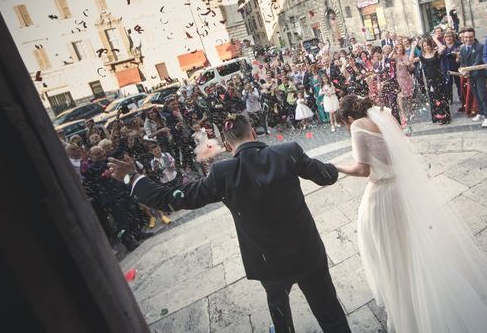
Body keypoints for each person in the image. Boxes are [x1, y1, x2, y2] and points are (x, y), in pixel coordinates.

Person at [107, 114, 352, 333]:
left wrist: (132, 176)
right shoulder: (288, 152)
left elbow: (171, 199)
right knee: (330, 314)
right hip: (306, 252)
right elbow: (327, 177)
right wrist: (332, 166)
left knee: (278, 307)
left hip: (268, 261)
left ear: (226, 145)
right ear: (253, 133)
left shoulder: (221, 173)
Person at [333, 95, 487, 333]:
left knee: (388, 254)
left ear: (349, 117)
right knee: (405, 249)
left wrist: (333, 167)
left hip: (381, 197)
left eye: (345, 124)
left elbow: (362, 169)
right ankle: (416, 299)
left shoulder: (359, 125)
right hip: (400, 191)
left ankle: (406, 311)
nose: (347, 128)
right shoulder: (384, 119)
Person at [459, 28, 487, 127]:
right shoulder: (463, 49)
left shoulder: (480, 47)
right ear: (463, 38)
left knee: (483, 95)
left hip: (480, 75)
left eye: (470, 37)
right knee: (476, 95)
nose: (468, 39)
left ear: (474, 36)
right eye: (466, 37)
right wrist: (462, 71)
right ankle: (481, 113)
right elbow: (462, 63)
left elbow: (477, 62)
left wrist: (466, 70)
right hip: (470, 76)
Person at [414, 37, 450, 124]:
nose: (426, 47)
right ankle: (437, 117)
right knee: (434, 99)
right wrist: (413, 47)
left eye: (427, 45)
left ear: (431, 45)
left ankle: (445, 117)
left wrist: (435, 39)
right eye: (424, 46)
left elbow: (443, 48)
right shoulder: (422, 56)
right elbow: (411, 61)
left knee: (442, 98)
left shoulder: (436, 53)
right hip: (430, 80)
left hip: (439, 79)